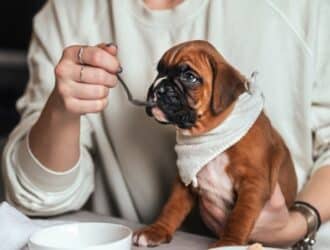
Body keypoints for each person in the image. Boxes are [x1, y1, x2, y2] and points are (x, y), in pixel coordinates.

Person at [2, 0, 330, 248]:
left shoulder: (303, 10)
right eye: (163, 75)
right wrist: (62, 111)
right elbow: (34, 196)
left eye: (188, 78)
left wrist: (299, 222)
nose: (163, 88)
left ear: (223, 91)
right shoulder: (67, 11)